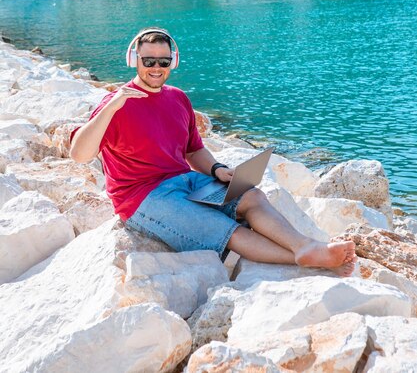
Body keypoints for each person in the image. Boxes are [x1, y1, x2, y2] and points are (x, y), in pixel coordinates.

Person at [70, 27, 356, 276]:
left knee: (251, 196)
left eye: (163, 61)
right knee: (225, 228)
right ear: (135, 60)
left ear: (173, 61)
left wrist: (218, 170)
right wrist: (111, 106)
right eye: (148, 61)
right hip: (142, 197)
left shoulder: (177, 98)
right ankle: (306, 257)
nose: (156, 68)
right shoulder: (117, 104)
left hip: (185, 181)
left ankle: (305, 246)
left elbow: (194, 150)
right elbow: (79, 155)